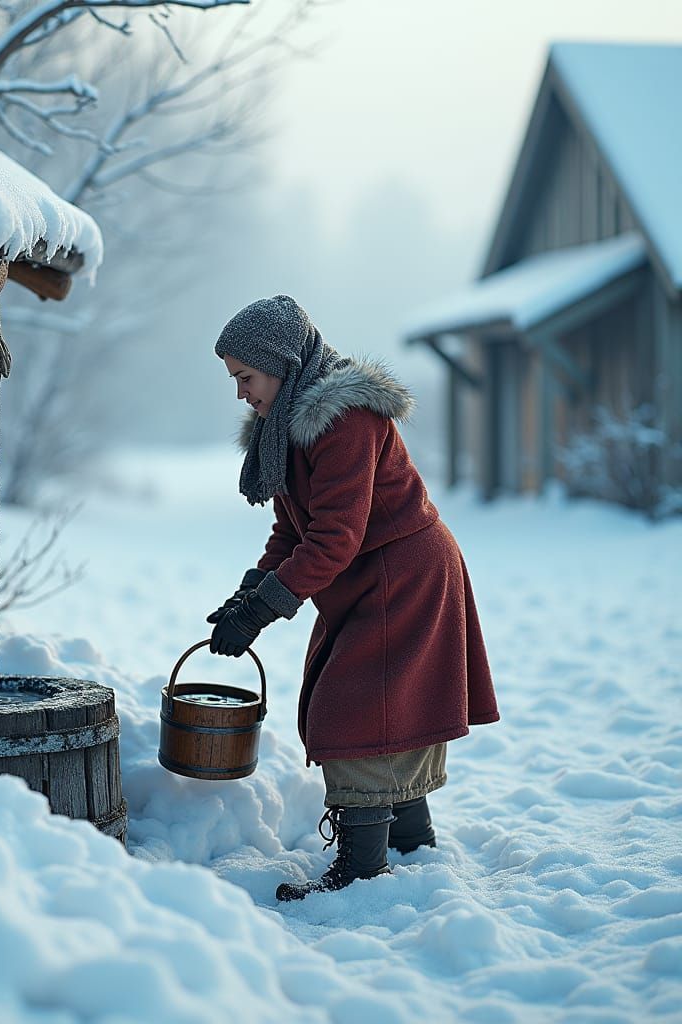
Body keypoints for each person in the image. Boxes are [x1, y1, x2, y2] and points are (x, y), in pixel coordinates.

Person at [206, 295, 499, 902]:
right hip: (370, 575)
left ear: (280, 364)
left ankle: (363, 870)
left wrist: (265, 608)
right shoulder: (284, 425)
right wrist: (248, 594)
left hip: (404, 573)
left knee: (359, 707)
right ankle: (408, 841)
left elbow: (335, 535)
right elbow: (293, 529)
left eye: (245, 378)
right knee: (388, 707)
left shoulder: (345, 419)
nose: (240, 394)